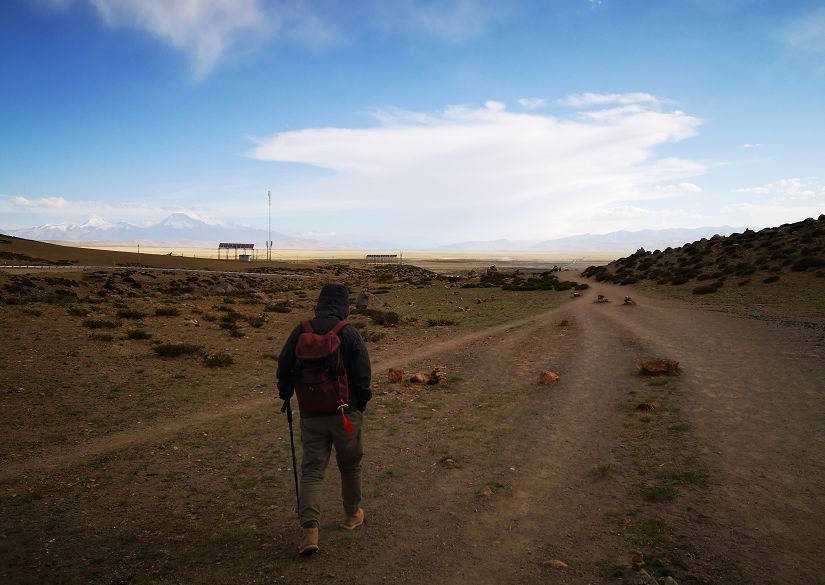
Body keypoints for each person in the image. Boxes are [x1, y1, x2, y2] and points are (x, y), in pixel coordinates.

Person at [277, 283, 372, 555]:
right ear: (344, 305)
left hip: (311, 414)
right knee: (350, 466)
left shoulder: (301, 331)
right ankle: (352, 515)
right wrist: (361, 403)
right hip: (345, 413)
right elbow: (363, 372)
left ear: (319, 302)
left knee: (312, 471)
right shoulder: (348, 333)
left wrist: (286, 395)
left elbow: (284, 366)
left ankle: (309, 532)